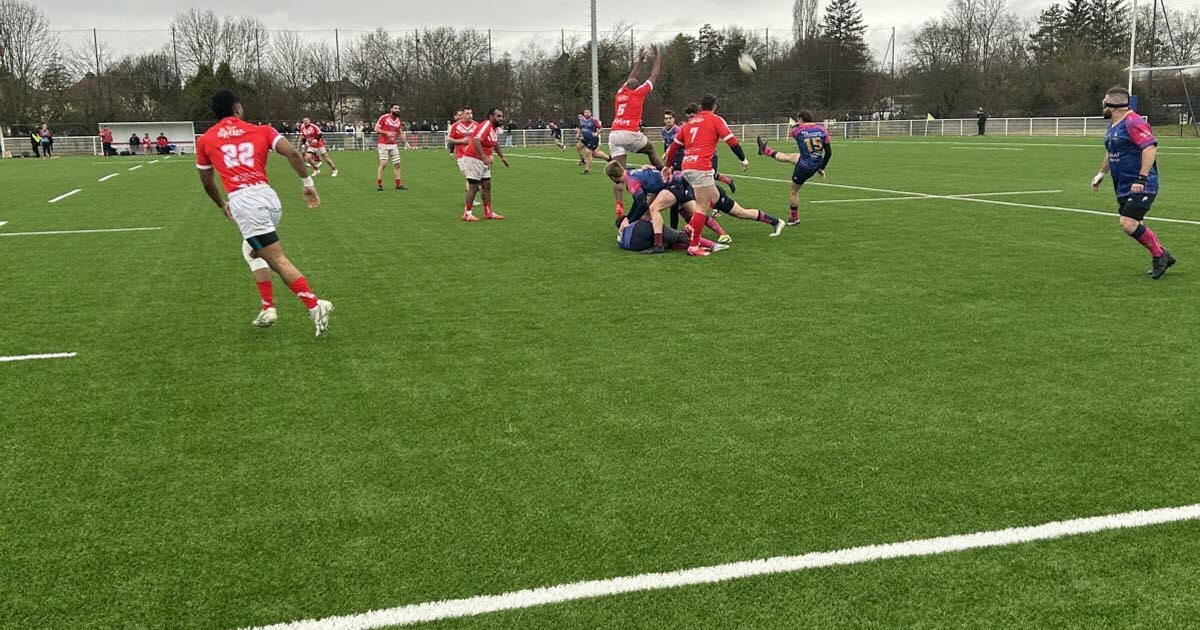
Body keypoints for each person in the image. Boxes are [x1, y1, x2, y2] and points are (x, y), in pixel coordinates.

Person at [195, 89, 333, 336]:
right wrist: (308, 184)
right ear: (237, 108)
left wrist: (221, 204)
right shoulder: (262, 130)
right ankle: (268, 308)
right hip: (269, 198)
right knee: (250, 249)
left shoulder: (205, 139)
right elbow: (291, 152)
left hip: (246, 204)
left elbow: (207, 182)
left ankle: (315, 305)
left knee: (277, 259)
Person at [1090, 86, 1175, 279]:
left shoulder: (1133, 122)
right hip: (1122, 185)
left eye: (1104, 103)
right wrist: (1102, 173)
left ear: (1112, 105)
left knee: (1128, 223)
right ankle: (1162, 255)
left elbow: (1150, 149)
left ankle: (1161, 255)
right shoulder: (1113, 124)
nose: (1102, 106)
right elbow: (1111, 149)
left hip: (1142, 183)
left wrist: (1142, 178)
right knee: (1136, 224)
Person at [663, 94, 750, 257]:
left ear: (701, 107)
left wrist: (667, 166)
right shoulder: (715, 119)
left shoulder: (689, 124)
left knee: (713, 198)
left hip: (686, 167)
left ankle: (693, 227)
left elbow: (674, 147)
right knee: (703, 206)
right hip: (700, 167)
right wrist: (743, 159)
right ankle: (694, 245)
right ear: (714, 106)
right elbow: (732, 142)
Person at [608, 45, 664, 218]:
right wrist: (657, 57)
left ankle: (619, 206)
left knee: (619, 172)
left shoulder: (620, 93)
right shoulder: (639, 93)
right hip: (629, 132)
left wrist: (639, 61)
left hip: (614, 134)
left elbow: (630, 77)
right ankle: (665, 174)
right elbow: (654, 75)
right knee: (650, 149)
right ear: (638, 87)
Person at [756, 110, 832, 226]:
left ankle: (794, 218)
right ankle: (765, 151)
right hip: (816, 162)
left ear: (801, 119)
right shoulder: (822, 130)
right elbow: (828, 153)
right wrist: (822, 168)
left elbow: (795, 130)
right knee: (790, 156)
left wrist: (798, 124)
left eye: (798, 119)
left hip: (805, 167)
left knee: (793, 191)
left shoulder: (797, 131)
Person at [460, 107, 510, 221]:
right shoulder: (486, 125)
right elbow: (476, 140)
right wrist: (483, 157)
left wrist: (502, 157)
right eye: (498, 116)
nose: (501, 118)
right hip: (473, 158)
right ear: (491, 117)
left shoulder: (494, 128)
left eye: (502, 116)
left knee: (487, 185)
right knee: (474, 186)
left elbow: (494, 143)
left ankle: (488, 212)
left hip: (483, 159)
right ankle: (467, 213)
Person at [448, 107, 483, 217]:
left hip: (473, 156)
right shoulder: (456, 126)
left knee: (471, 179)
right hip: (462, 156)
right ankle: (470, 203)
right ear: (462, 115)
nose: (470, 115)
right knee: (470, 178)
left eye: (471, 113)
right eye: (467, 113)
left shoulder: (476, 125)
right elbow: (449, 139)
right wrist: (461, 141)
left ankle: (471, 200)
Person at [374, 104, 407, 190]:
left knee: (397, 164)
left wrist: (405, 142)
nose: (397, 110)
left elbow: (399, 132)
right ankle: (379, 184)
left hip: (393, 144)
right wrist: (386, 132)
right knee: (384, 164)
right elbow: (376, 129)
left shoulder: (398, 120)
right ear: (391, 109)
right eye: (395, 108)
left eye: (398, 109)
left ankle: (398, 184)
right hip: (383, 143)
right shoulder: (384, 117)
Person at [575, 109, 608, 174]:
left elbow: (601, 129)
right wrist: (578, 133)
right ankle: (608, 157)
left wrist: (597, 133)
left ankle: (587, 170)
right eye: (585, 112)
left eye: (588, 112)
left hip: (592, 139)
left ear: (590, 113)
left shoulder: (594, 120)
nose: (587, 113)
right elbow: (580, 128)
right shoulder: (581, 120)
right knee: (579, 147)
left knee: (588, 152)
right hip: (585, 138)